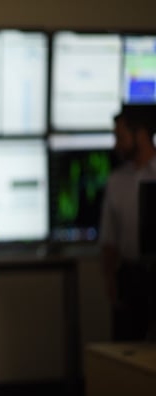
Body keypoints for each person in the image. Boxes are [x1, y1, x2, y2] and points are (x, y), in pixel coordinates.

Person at [99, 103, 156, 341]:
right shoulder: (117, 181)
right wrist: (111, 281)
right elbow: (109, 239)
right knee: (125, 353)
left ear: (141, 135)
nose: (116, 145)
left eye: (120, 137)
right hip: (131, 280)